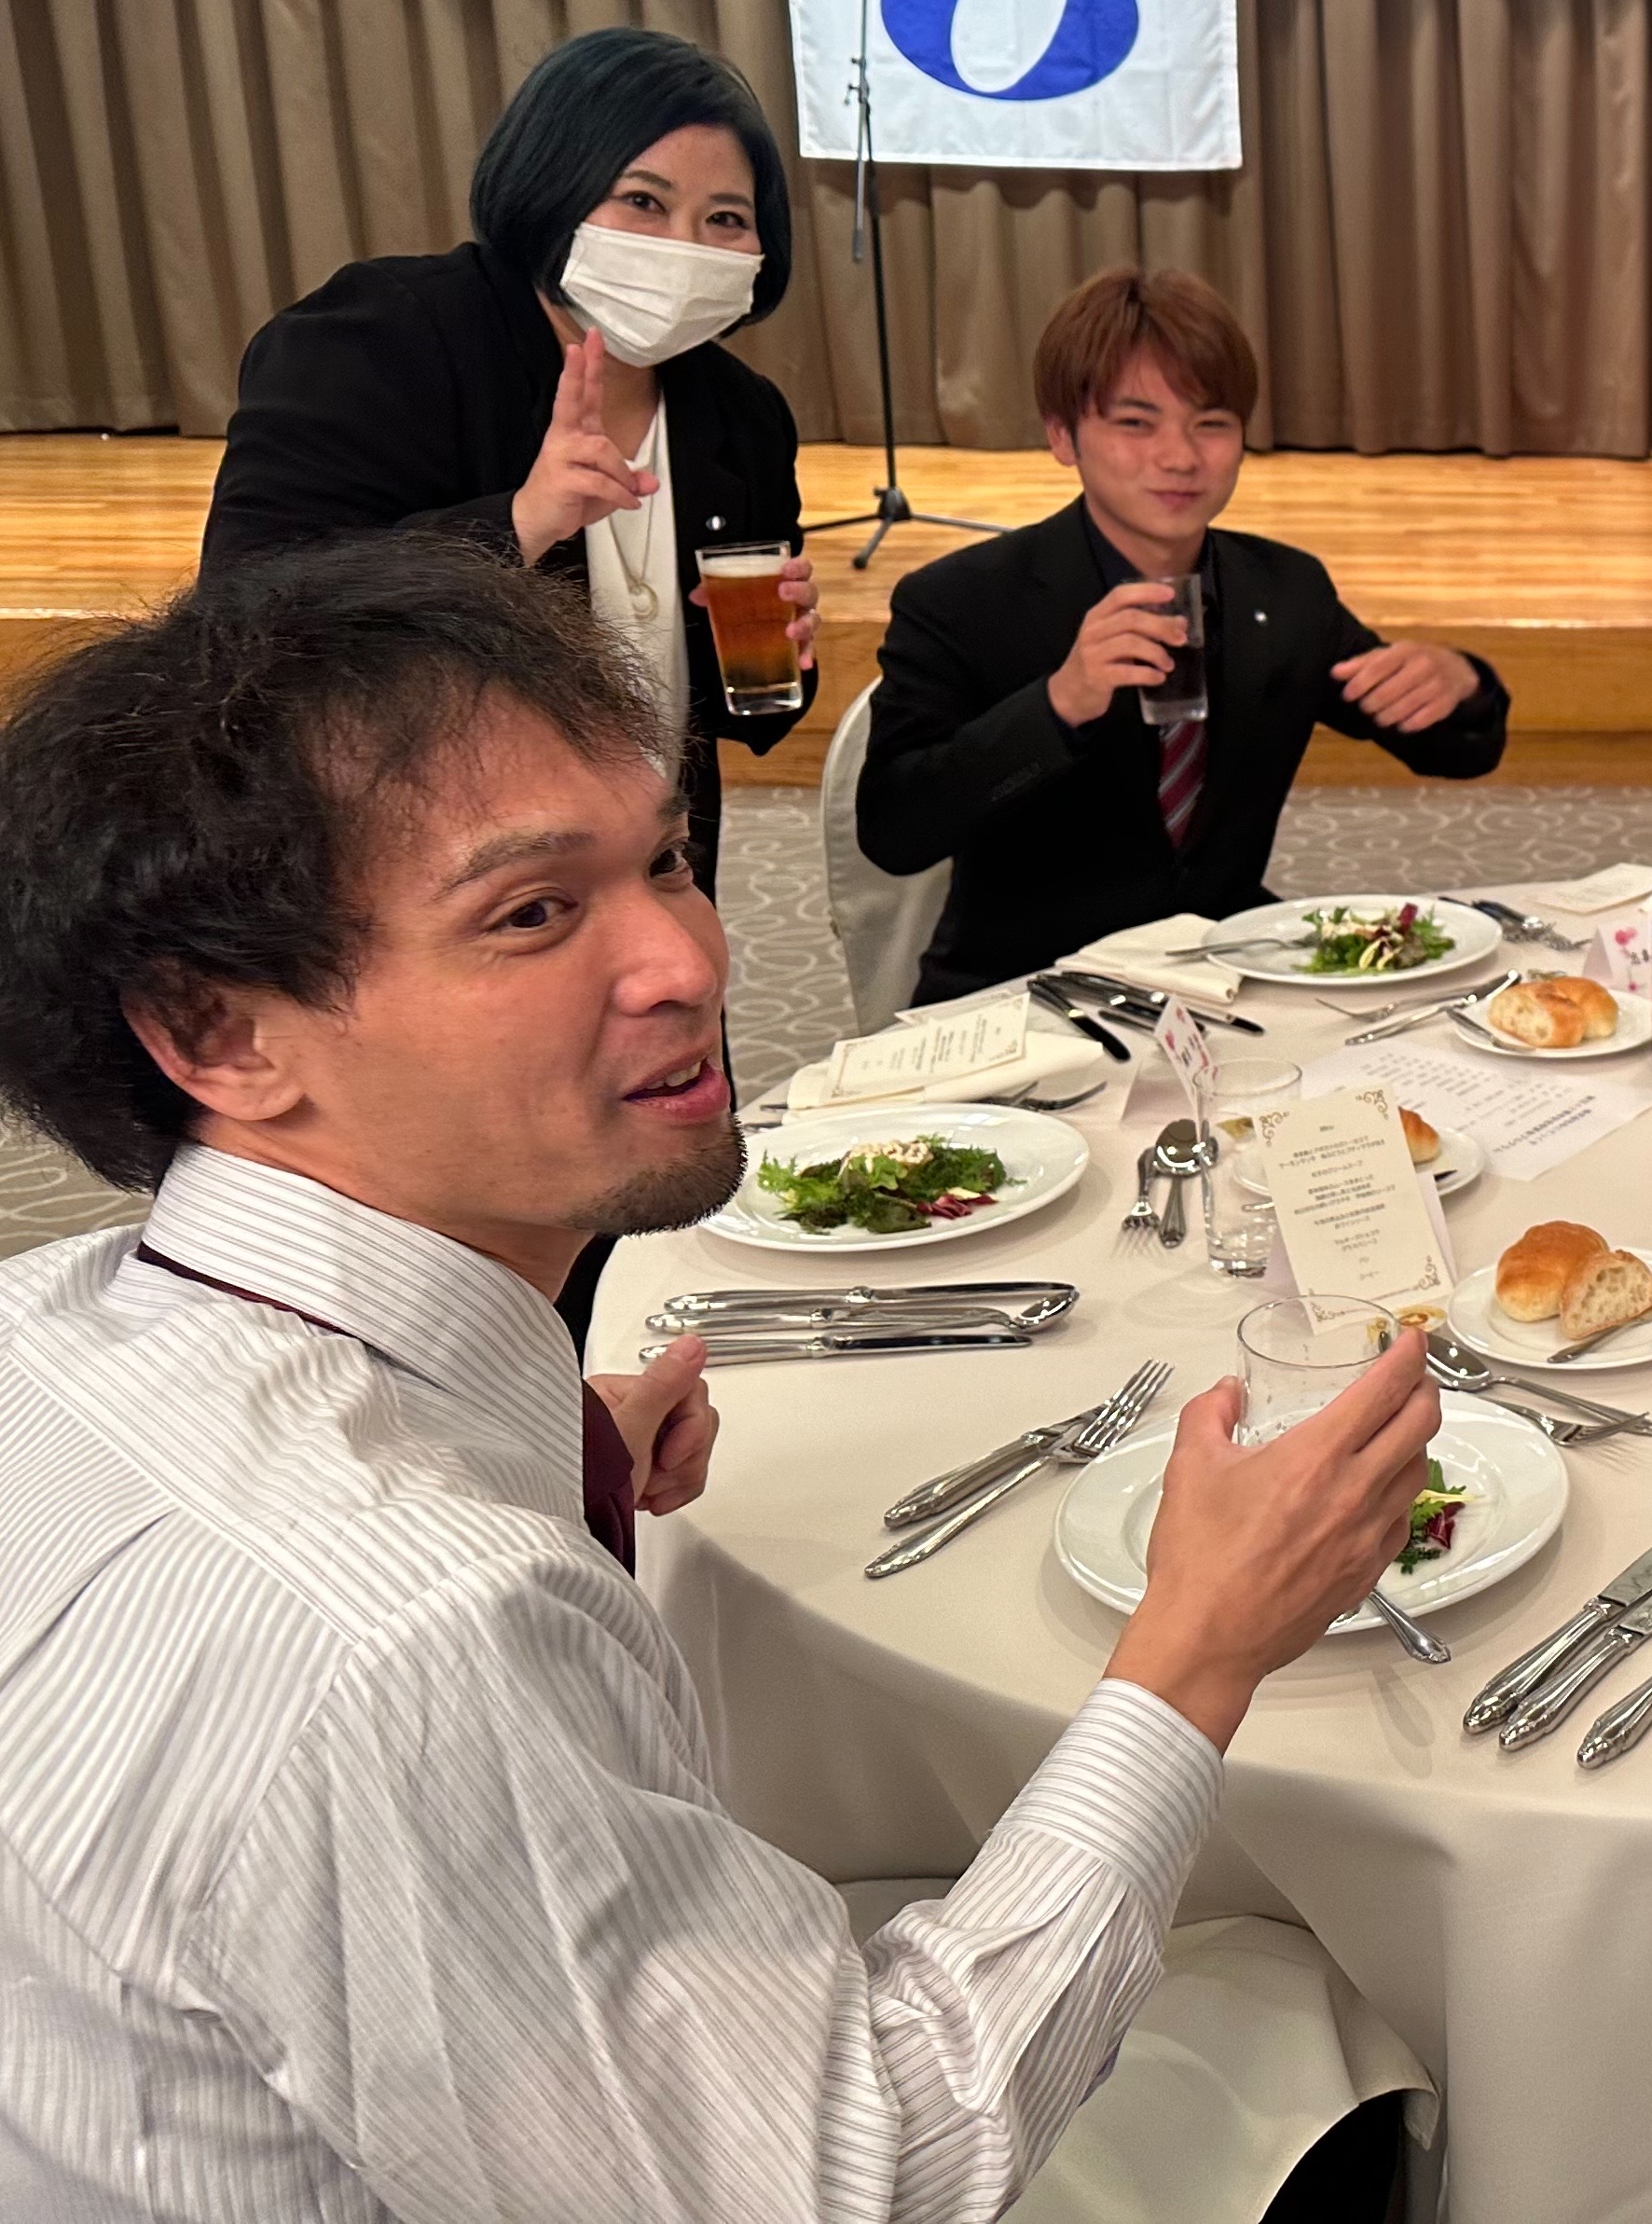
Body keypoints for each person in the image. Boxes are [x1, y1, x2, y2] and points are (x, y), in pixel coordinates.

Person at [0, 537, 1441, 2222]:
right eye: (531, 912)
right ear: (219, 1033)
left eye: (668, 860)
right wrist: (1196, 1649)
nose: (690, 962)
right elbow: (848, 2177)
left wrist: (548, 1457)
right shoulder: (413, 1637)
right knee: (1307, 1991)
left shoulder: (47, 1313)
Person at [202, 24, 821, 899]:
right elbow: (244, 614)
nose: (684, 245)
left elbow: (737, 709)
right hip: (418, 865)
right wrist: (519, 525)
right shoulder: (384, 337)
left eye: (726, 219)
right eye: (642, 201)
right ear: (550, 183)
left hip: (648, 863)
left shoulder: (741, 413)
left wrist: (785, 652)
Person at [857, 267, 1507, 1000]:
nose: (1180, 457)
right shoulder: (960, 600)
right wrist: (1059, 704)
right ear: (1063, 435)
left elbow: (1455, 750)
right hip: (1027, 990)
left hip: (1222, 977)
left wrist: (1461, 682)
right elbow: (894, 832)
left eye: (1211, 424)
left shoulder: (1284, 590)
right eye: (1136, 424)